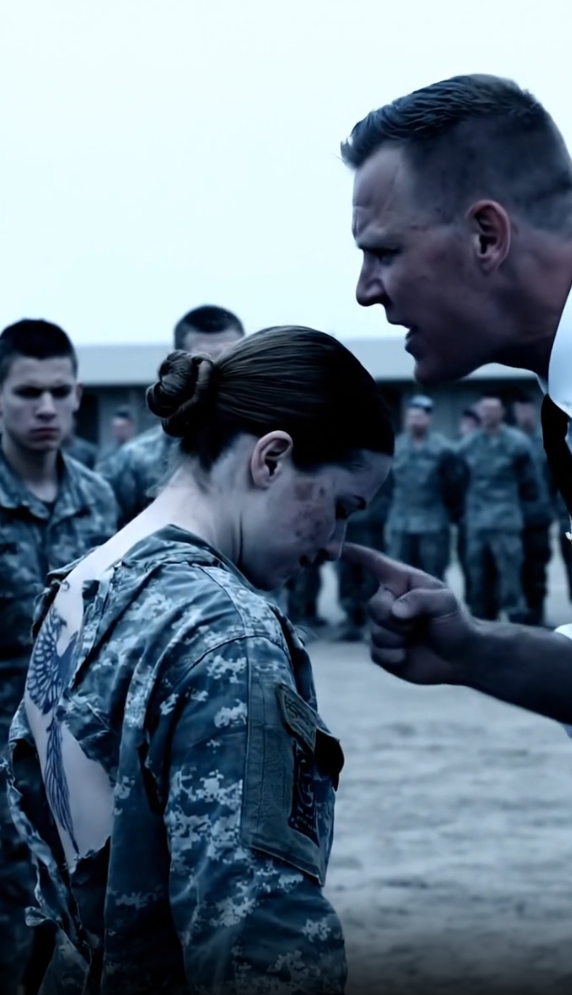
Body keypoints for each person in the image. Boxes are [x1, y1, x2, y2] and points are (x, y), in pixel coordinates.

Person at [7, 326, 394, 994]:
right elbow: (257, 942)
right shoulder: (230, 633)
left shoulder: (79, 585)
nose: (335, 543)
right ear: (271, 459)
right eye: (338, 506)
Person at [341, 73, 572, 736]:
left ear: (487, 236)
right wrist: (474, 649)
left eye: (384, 251)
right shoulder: (571, 398)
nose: (365, 291)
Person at [0, 319, 118, 995]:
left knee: (78, 910)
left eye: (59, 391)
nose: (45, 406)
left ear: (78, 396)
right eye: (27, 391)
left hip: (77, 750)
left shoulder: (98, 499)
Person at [99, 305, 245, 525]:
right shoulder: (133, 463)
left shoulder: (271, 452)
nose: (216, 377)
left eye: (229, 363)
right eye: (203, 365)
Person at [459, 394, 538, 623]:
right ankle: (481, 624)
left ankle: (516, 622)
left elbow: (530, 484)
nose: (487, 414)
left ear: (502, 413)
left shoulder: (517, 443)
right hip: (477, 523)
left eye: (492, 410)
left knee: (511, 579)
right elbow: (457, 479)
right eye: (483, 410)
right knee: (479, 578)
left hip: (506, 522)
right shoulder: (468, 444)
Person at [385, 394, 464, 581]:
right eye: (411, 417)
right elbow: (385, 485)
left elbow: (454, 487)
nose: (414, 422)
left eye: (419, 417)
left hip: (433, 522)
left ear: (429, 418)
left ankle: (434, 610)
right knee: (399, 574)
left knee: (433, 575)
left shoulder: (444, 449)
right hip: (401, 522)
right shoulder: (394, 447)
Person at [511, 391, 557, 625]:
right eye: (519, 410)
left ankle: (537, 614)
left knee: (538, 567)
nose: (524, 414)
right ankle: (522, 615)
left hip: (539, 518)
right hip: (513, 518)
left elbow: (555, 478)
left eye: (527, 409)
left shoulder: (546, 440)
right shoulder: (510, 442)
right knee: (516, 569)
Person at [336, 473, 393, 641]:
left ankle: (372, 622)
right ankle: (352, 621)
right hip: (346, 525)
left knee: (371, 576)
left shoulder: (377, 459)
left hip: (370, 527)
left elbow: (387, 494)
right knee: (346, 575)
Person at [455, 406, 481, 602]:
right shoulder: (457, 453)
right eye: (466, 425)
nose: (468, 429)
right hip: (466, 520)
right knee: (469, 563)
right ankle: (472, 601)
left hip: (486, 519)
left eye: (473, 425)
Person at [95, 405, 137, 472]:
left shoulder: (139, 453)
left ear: (131, 427)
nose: (118, 432)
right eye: (115, 428)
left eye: (122, 428)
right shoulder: (107, 454)